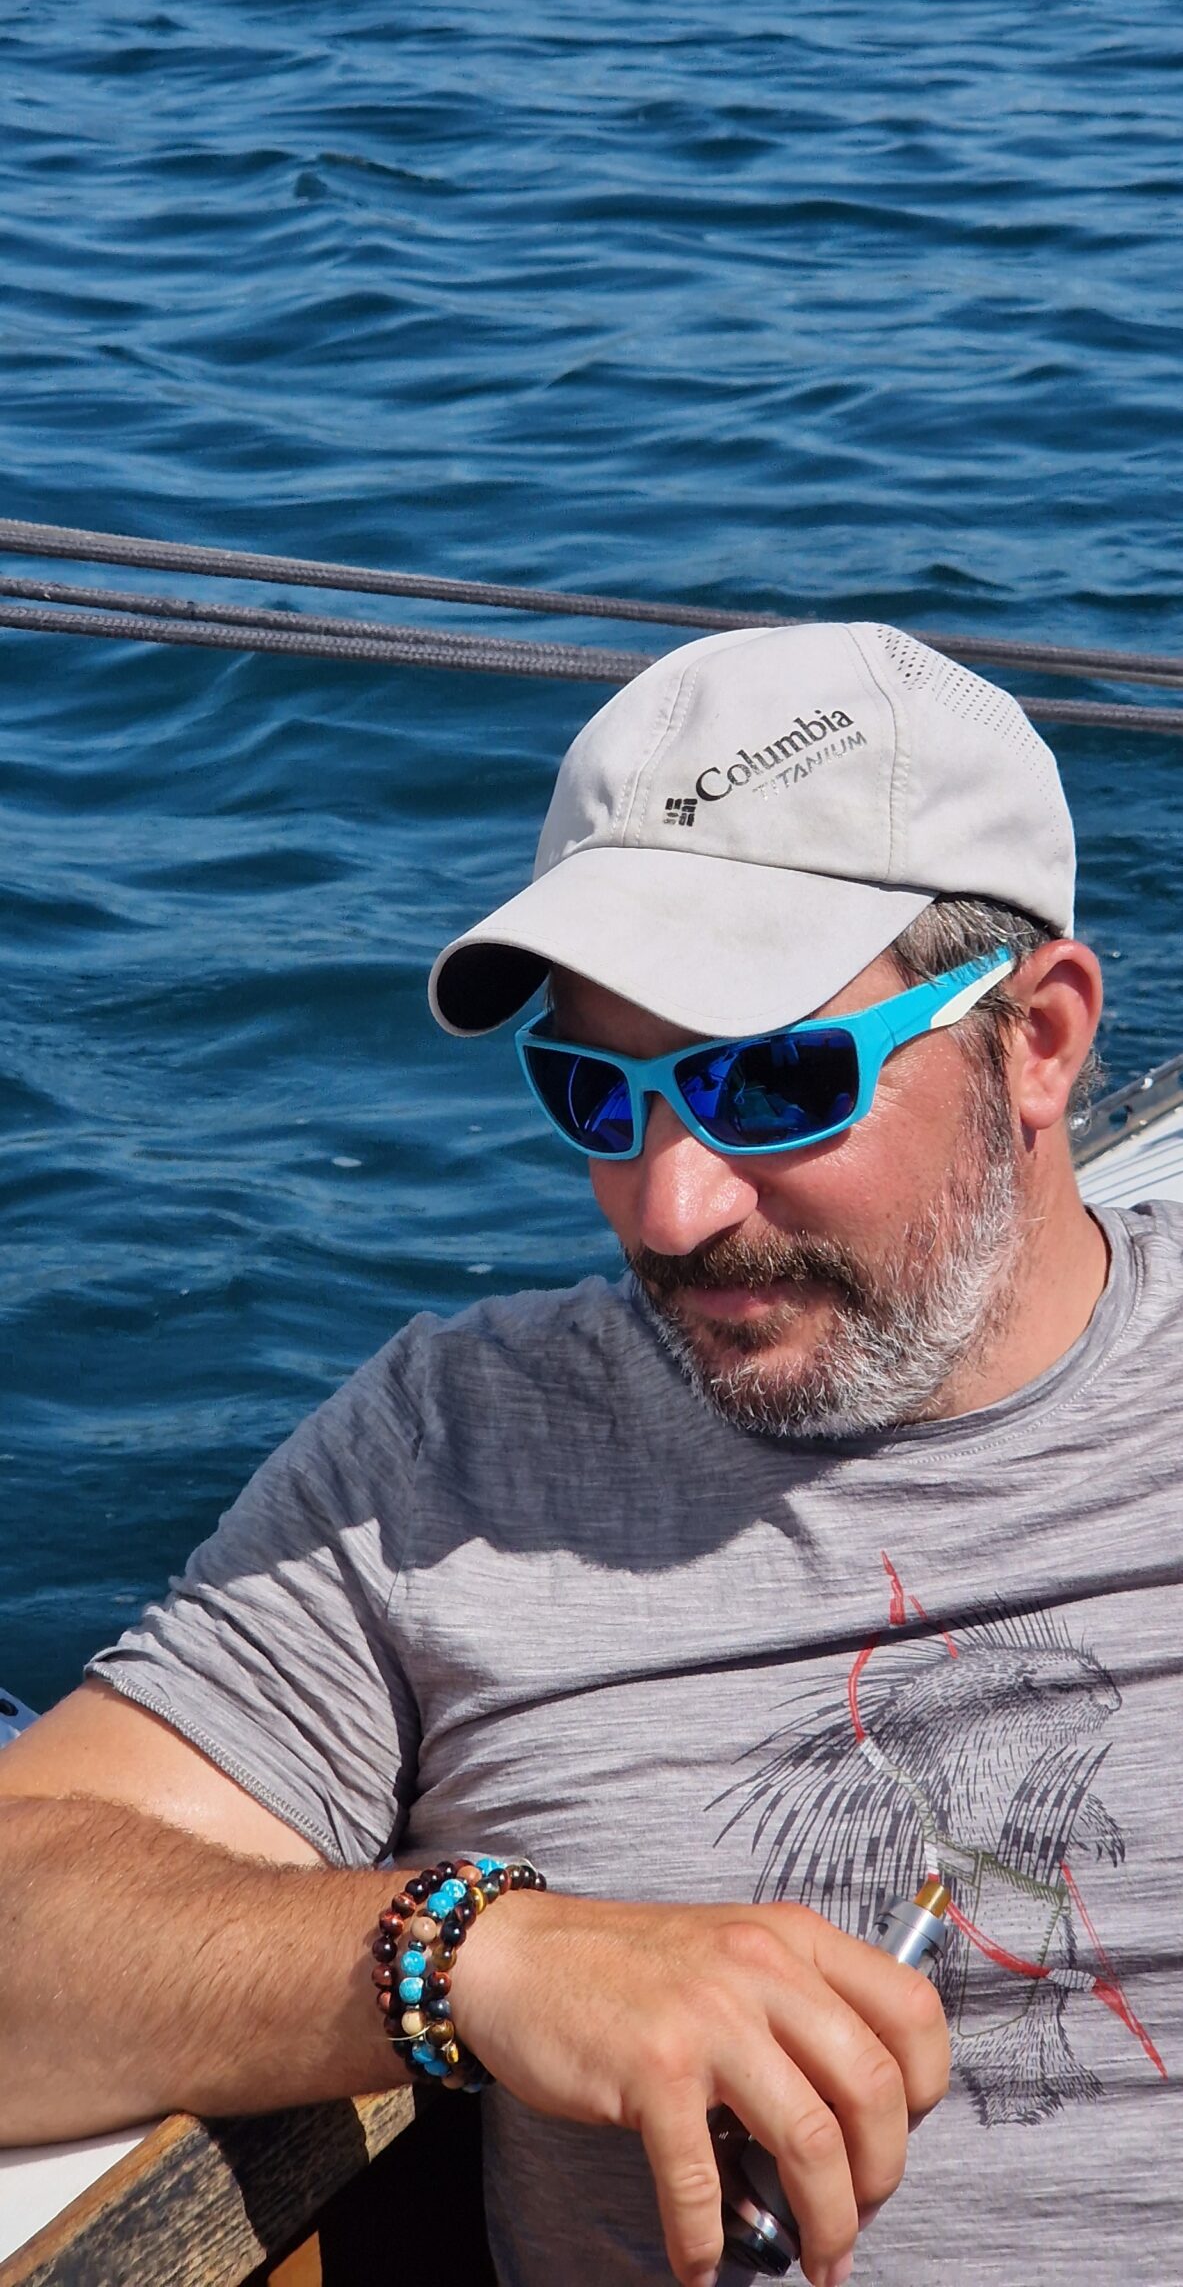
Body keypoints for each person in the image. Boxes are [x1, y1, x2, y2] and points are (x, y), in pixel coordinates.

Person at [0, 619, 1178, 2287]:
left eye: (771, 1082)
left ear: (1038, 1040)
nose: (669, 1206)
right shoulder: (448, 1463)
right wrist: (475, 1958)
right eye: (596, 1093)